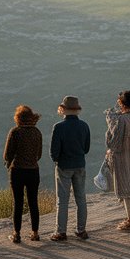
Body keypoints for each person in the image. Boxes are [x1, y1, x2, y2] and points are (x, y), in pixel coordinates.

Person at [49, 95, 90, 241]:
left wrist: (57, 161)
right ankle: (81, 230)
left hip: (64, 166)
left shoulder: (59, 127)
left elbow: (54, 151)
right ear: (77, 109)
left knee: (63, 200)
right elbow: (86, 148)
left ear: (63, 109)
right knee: (81, 199)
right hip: (80, 164)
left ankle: (61, 232)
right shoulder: (84, 125)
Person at [105, 90, 130, 231]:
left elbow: (114, 142)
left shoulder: (122, 120)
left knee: (126, 188)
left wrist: (110, 121)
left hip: (123, 158)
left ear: (123, 104)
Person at [3, 104, 43, 243]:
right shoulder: (37, 132)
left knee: (18, 203)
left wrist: (9, 163)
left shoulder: (15, 132)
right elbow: (39, 155)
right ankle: (35, 233)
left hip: (18, 171)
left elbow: (7, 155)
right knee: (33, 202)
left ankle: (17, 234)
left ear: (18, 118)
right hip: (33, 171)